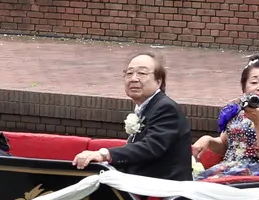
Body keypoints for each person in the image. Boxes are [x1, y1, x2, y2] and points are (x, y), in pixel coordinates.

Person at [72, 53, 193, 182]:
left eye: (142, 73)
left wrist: (104, 154)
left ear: (159, 81)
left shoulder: (166, 108)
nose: (133, 79)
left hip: (163, 190)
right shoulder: (146, 107)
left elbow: (151, 147)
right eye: (129, 74)